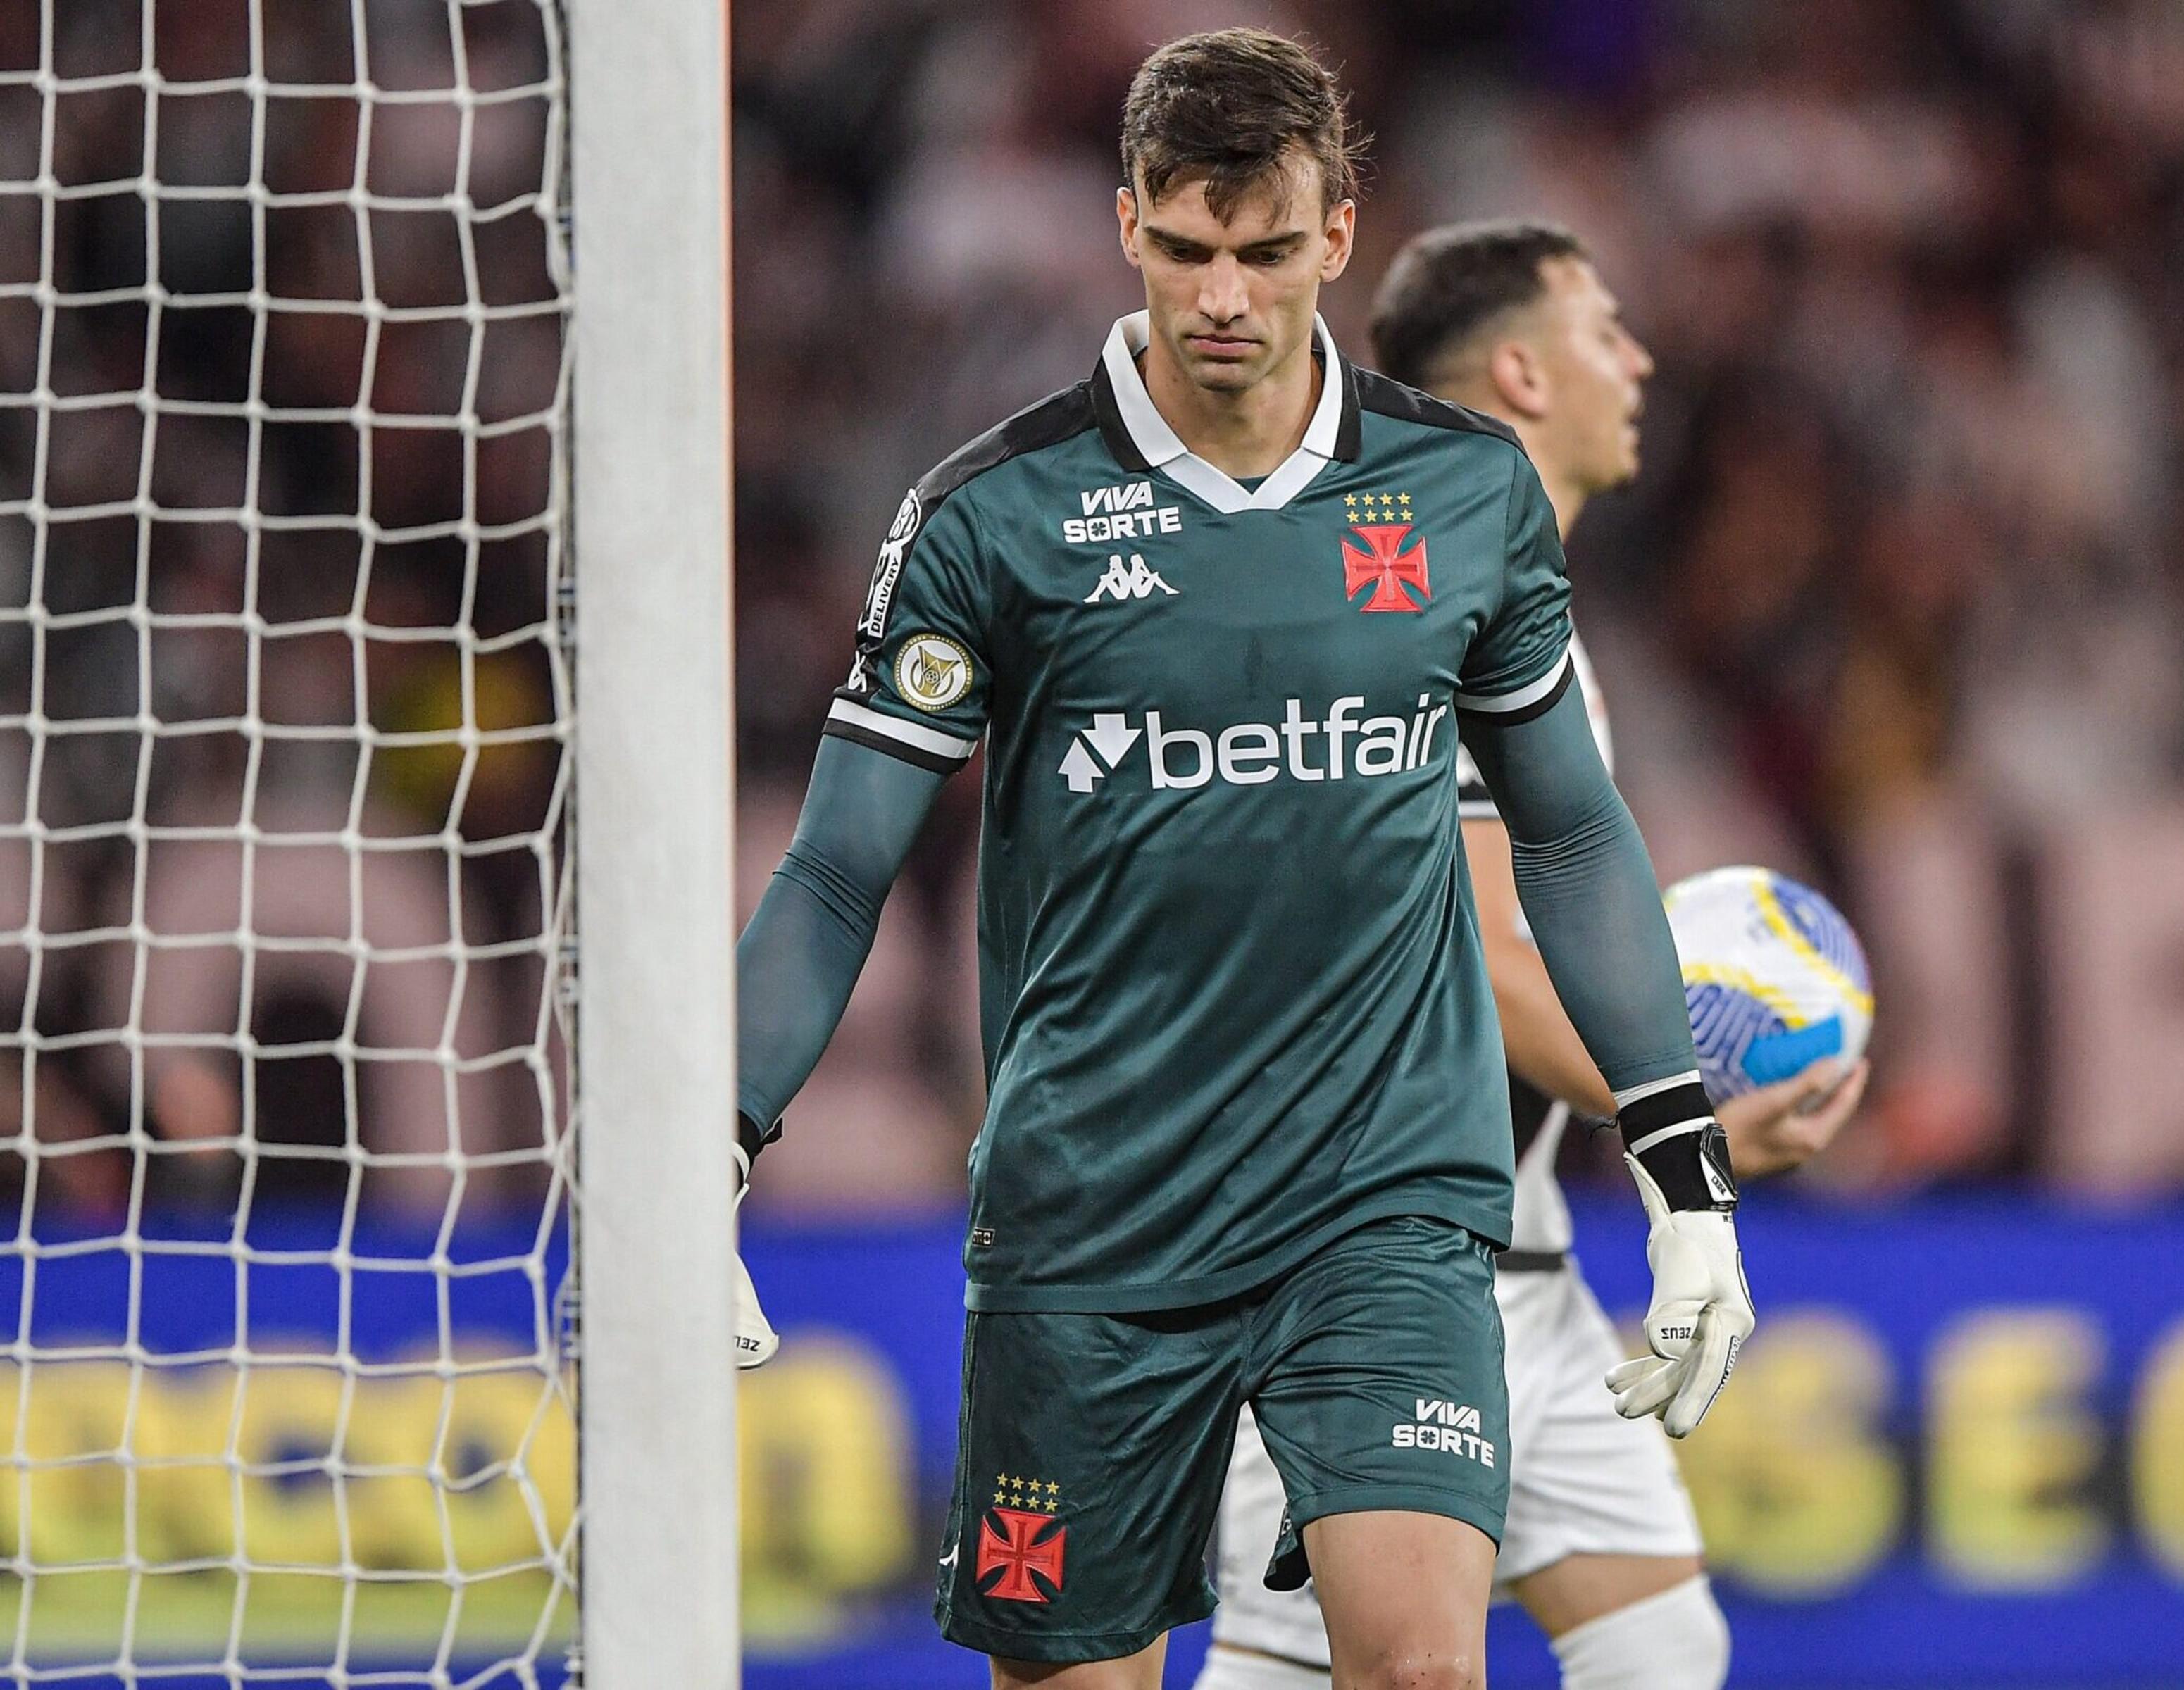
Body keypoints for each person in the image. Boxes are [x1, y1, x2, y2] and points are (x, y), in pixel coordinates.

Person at [729, 32, 1754, 1690]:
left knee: (1423, 1667)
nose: (1226, 295)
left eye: (1268, 250)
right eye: (1188, 248)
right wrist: (721, 1132)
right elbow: (840, 870)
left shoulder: (1460, 494)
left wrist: (1681, 1170)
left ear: (1337, 238)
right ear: (1125, 222)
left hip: (1389, 1207)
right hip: (1094, 1217)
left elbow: (1569, 830)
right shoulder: (994, 518)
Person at [1196, 225, 1868, 1690]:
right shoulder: (1423, 596)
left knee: (1659, 1648)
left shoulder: (1502, 592)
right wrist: (1681, 1125)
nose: (1637, 361)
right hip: (1360, 1256)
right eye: (1606, 327)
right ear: (1520, 368)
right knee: (1351, 1670)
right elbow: (1483, 961)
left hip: (1513, 1253)